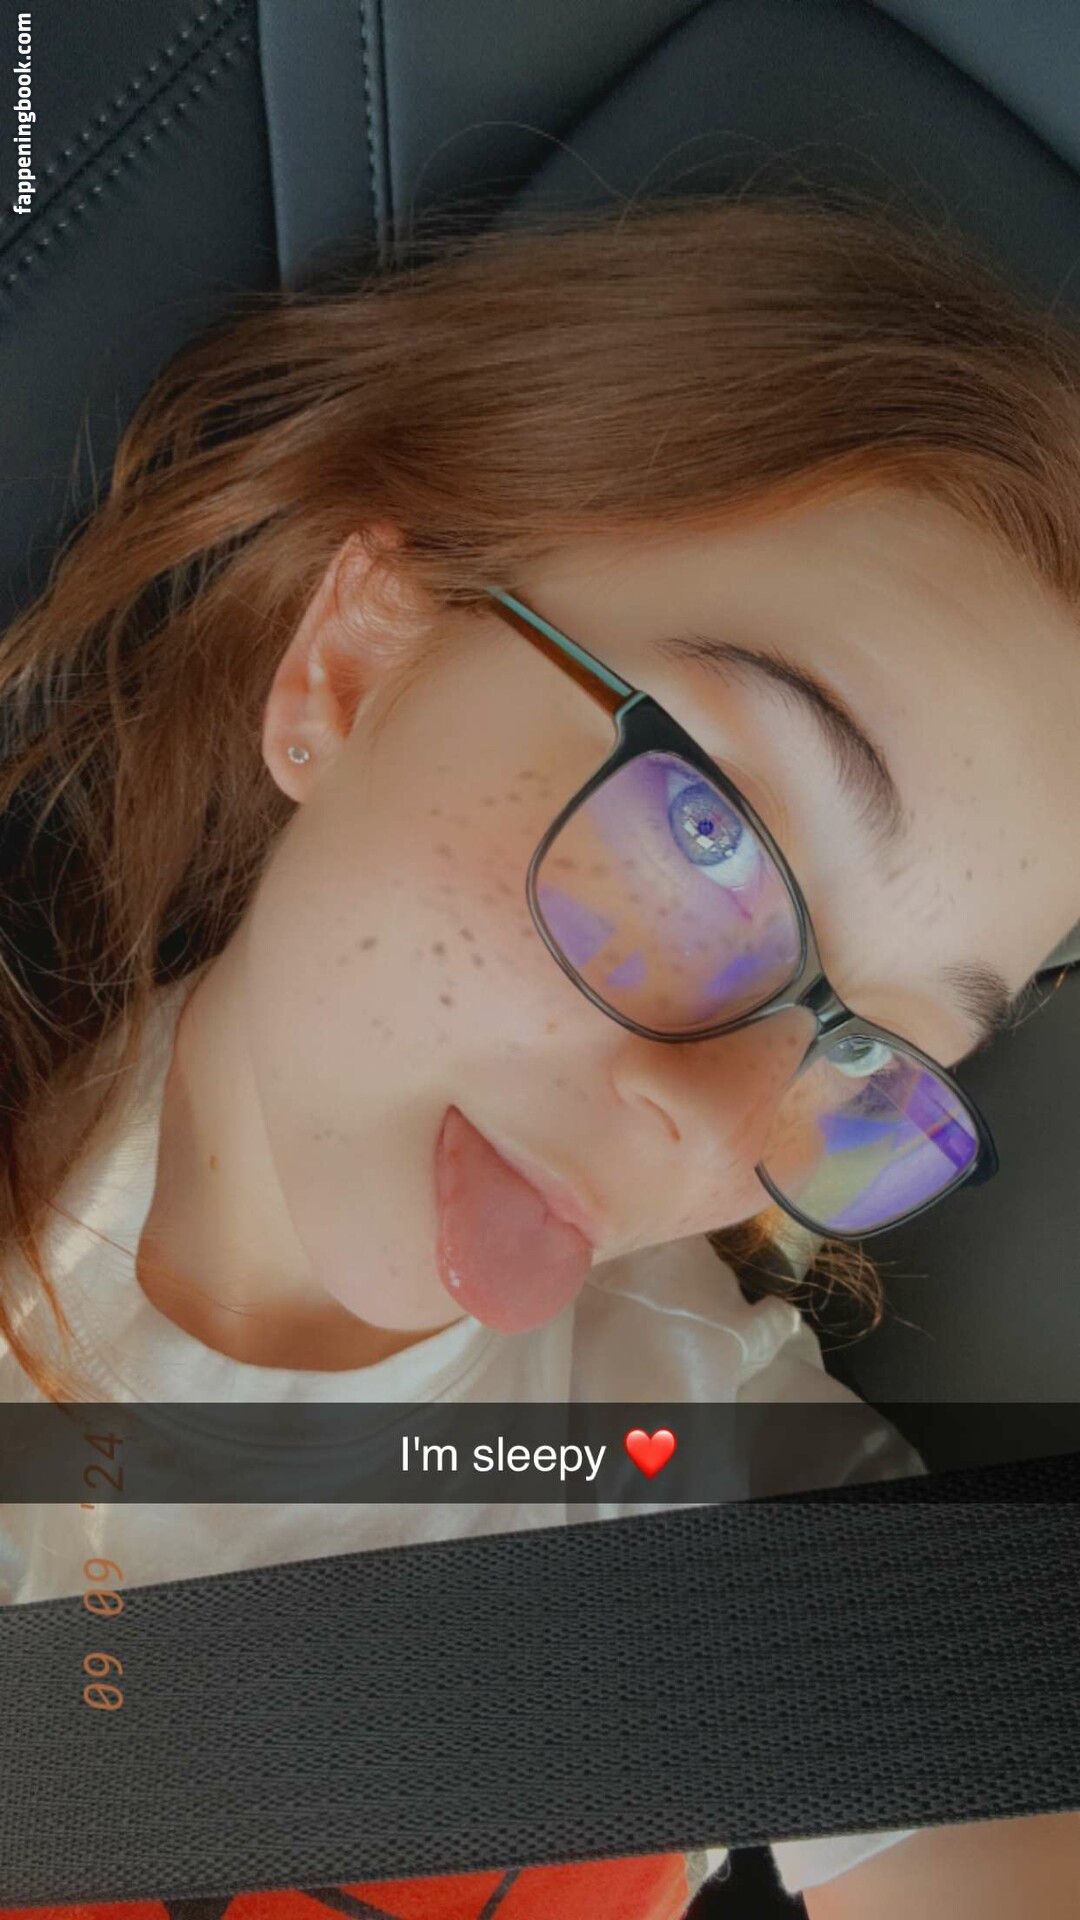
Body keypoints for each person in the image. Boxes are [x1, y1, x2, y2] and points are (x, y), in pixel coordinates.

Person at [1, 191, 1079, 1915]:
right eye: (713, 839)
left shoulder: (705, 1477)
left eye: (874, 1051)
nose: (705, 1122)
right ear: (357, 660)